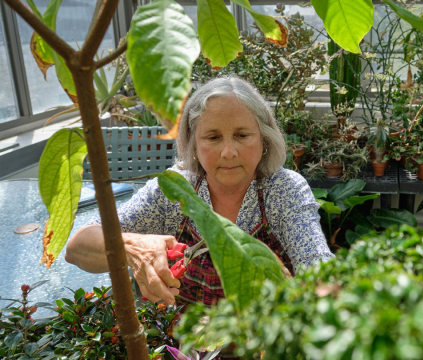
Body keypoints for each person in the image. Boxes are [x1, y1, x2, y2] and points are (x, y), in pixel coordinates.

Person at [66, 76, 333, 308]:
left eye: (242, 135)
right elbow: (77, 246)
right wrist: (132, 248)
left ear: (264, 139)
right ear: (193, 144)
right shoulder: (173, 191)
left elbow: (317, 265)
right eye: (213, 137)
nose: (229, 152)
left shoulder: (283, 190)